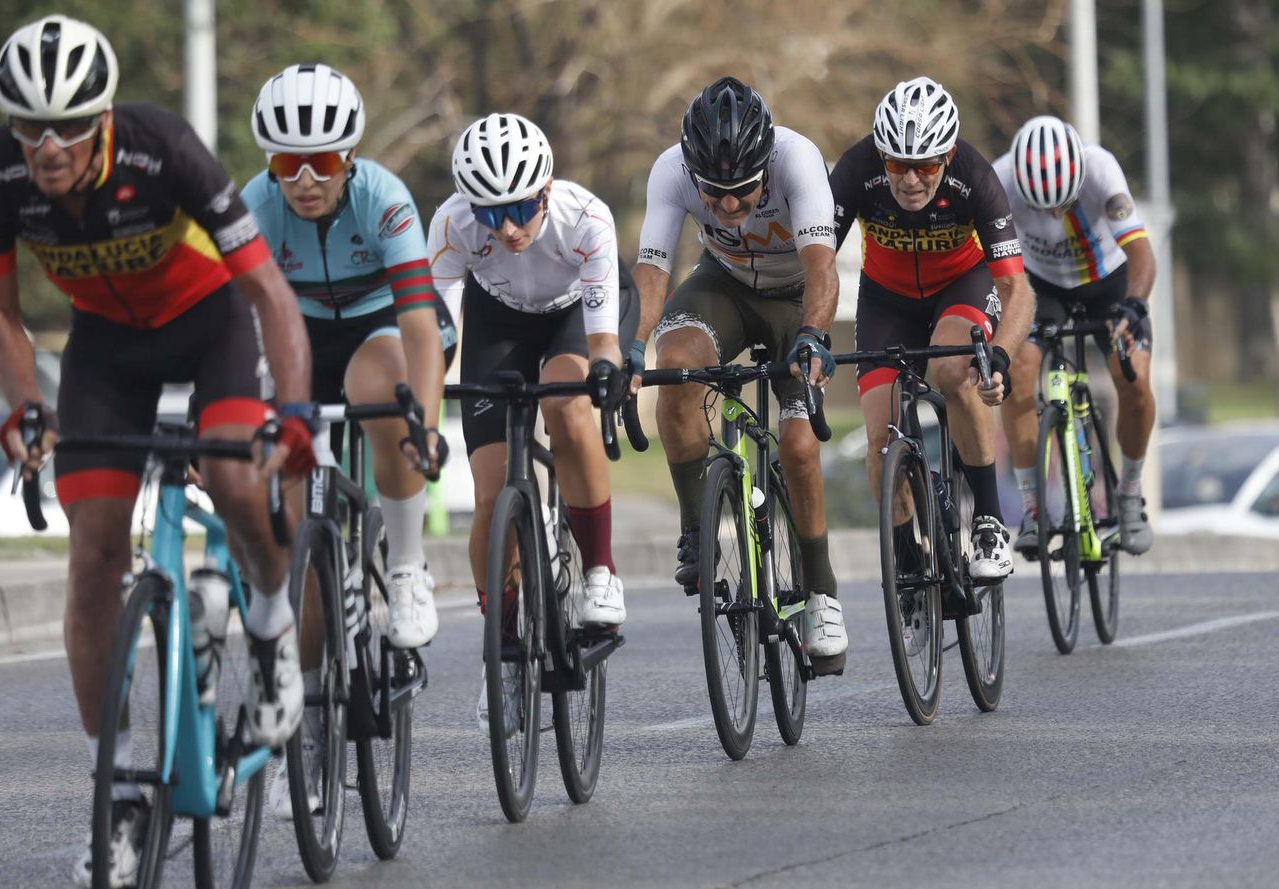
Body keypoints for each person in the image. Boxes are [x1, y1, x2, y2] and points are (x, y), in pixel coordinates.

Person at [0, 16, 312, 886]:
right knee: (91, 557)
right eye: (28, 126)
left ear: (105, 116)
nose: (47, 147)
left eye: (69, 125)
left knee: (238, 480)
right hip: (105, 351)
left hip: (210, 329)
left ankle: (273, 630)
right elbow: (1, 314)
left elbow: (268, 290)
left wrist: (295, 412)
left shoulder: (163, 147)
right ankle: (119, 786)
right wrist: (26, 408)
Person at [244, 63, 454, 819]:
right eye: (286, 164)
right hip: (300, 334)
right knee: (297, 525)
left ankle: (403, 565)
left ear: (350, 159)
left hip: (380, 326)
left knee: (380, 384)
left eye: (323, 163)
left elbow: (422, 326)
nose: (305, 180)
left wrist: (424, 426)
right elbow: (242, 333)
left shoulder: (384, 198)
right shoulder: (255, 206)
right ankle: (305, 723)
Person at [428, 112, 636, 733]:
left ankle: (598, 569)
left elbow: (603, 340)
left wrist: (607, 369)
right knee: (492, 498)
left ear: (545, 190)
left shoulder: (587, 218)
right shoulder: (451, 225)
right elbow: (432, 333)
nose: (509, 228)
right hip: (500, 320)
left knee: (566, 403)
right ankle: (505, 650)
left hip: (579, 312)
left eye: (520, 208)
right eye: (491, 215)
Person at [633, 76, 848, 674]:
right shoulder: (670, 169)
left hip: (794, 296)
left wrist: (813, 335)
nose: (728, 206)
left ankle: (822, 594)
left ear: (766, 163)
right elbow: (653, 268)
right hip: (722, 283)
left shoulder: (798, 159)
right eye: (715, 193)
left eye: (744, 190)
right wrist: (631, 342)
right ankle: (696, 527)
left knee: (800, 444)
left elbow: (822, 267)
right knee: (675, 369)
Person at [829, 76, 1034, 580]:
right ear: (882, 155)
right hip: (885, 300)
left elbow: (1018, 292)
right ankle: (906, 565)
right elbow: (813, 266)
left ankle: (987, 520)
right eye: (898, 165)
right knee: (880, 439)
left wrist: (1001, 356)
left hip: (959, 287)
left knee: (950, 371)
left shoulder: (976, 177)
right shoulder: (856, 170)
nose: (910, 180)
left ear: (946, 158)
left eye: (924, 166)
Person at [993, 115, 1157, 558]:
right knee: (1017, 369)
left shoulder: (1101, 168)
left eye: (1062, 204)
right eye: (1040, 206)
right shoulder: (1000, 180)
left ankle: (1129, 495)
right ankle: (1032, 508)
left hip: (1108, 280)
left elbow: (1141, 254)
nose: (1051, 214)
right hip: (1041, 287)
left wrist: (1134, 305)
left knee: (1134, 379)